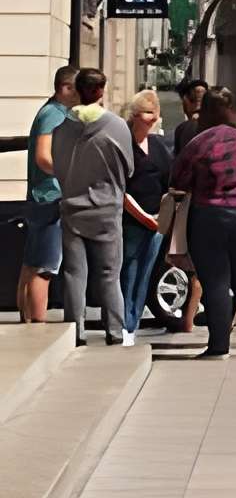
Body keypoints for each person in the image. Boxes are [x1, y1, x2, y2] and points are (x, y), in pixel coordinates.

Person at [172, 93, 236, 358]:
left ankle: (219, 345)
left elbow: (178, 180)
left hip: (209, 214)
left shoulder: (198, 143)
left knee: (215, 281)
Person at [49, 71, 134, 347]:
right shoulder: (117, 126)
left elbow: (58, 167)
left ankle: (76, 332)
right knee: (110, 274)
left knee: (75, 274)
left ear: (76, 90)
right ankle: (115, 330)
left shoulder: (61, 129)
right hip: (107, 209)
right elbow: (129, 168)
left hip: (72, 208)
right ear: (101, 91)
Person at [19, 65, 74, 325]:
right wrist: (70, 172)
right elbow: (43, 156)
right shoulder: (54, 115)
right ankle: (37, 326)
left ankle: (27, 320)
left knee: (31, 265)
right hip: (50, 197)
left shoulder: (48, 111)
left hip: (40, 197)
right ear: (66, 89)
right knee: (45, 268)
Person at [119, 91, 170, 334]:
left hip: (156, 221)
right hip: (131, 220)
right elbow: (121, 190)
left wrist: (161, 216)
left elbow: (169, 182)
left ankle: (134, 320)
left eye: (155, 112)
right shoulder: (124, 145)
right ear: (135, 116)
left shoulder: (158, 146)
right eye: (148, 113)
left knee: (146, 273)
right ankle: (124, 324)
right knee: (128, 270)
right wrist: (145, 218)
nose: (153, 118)